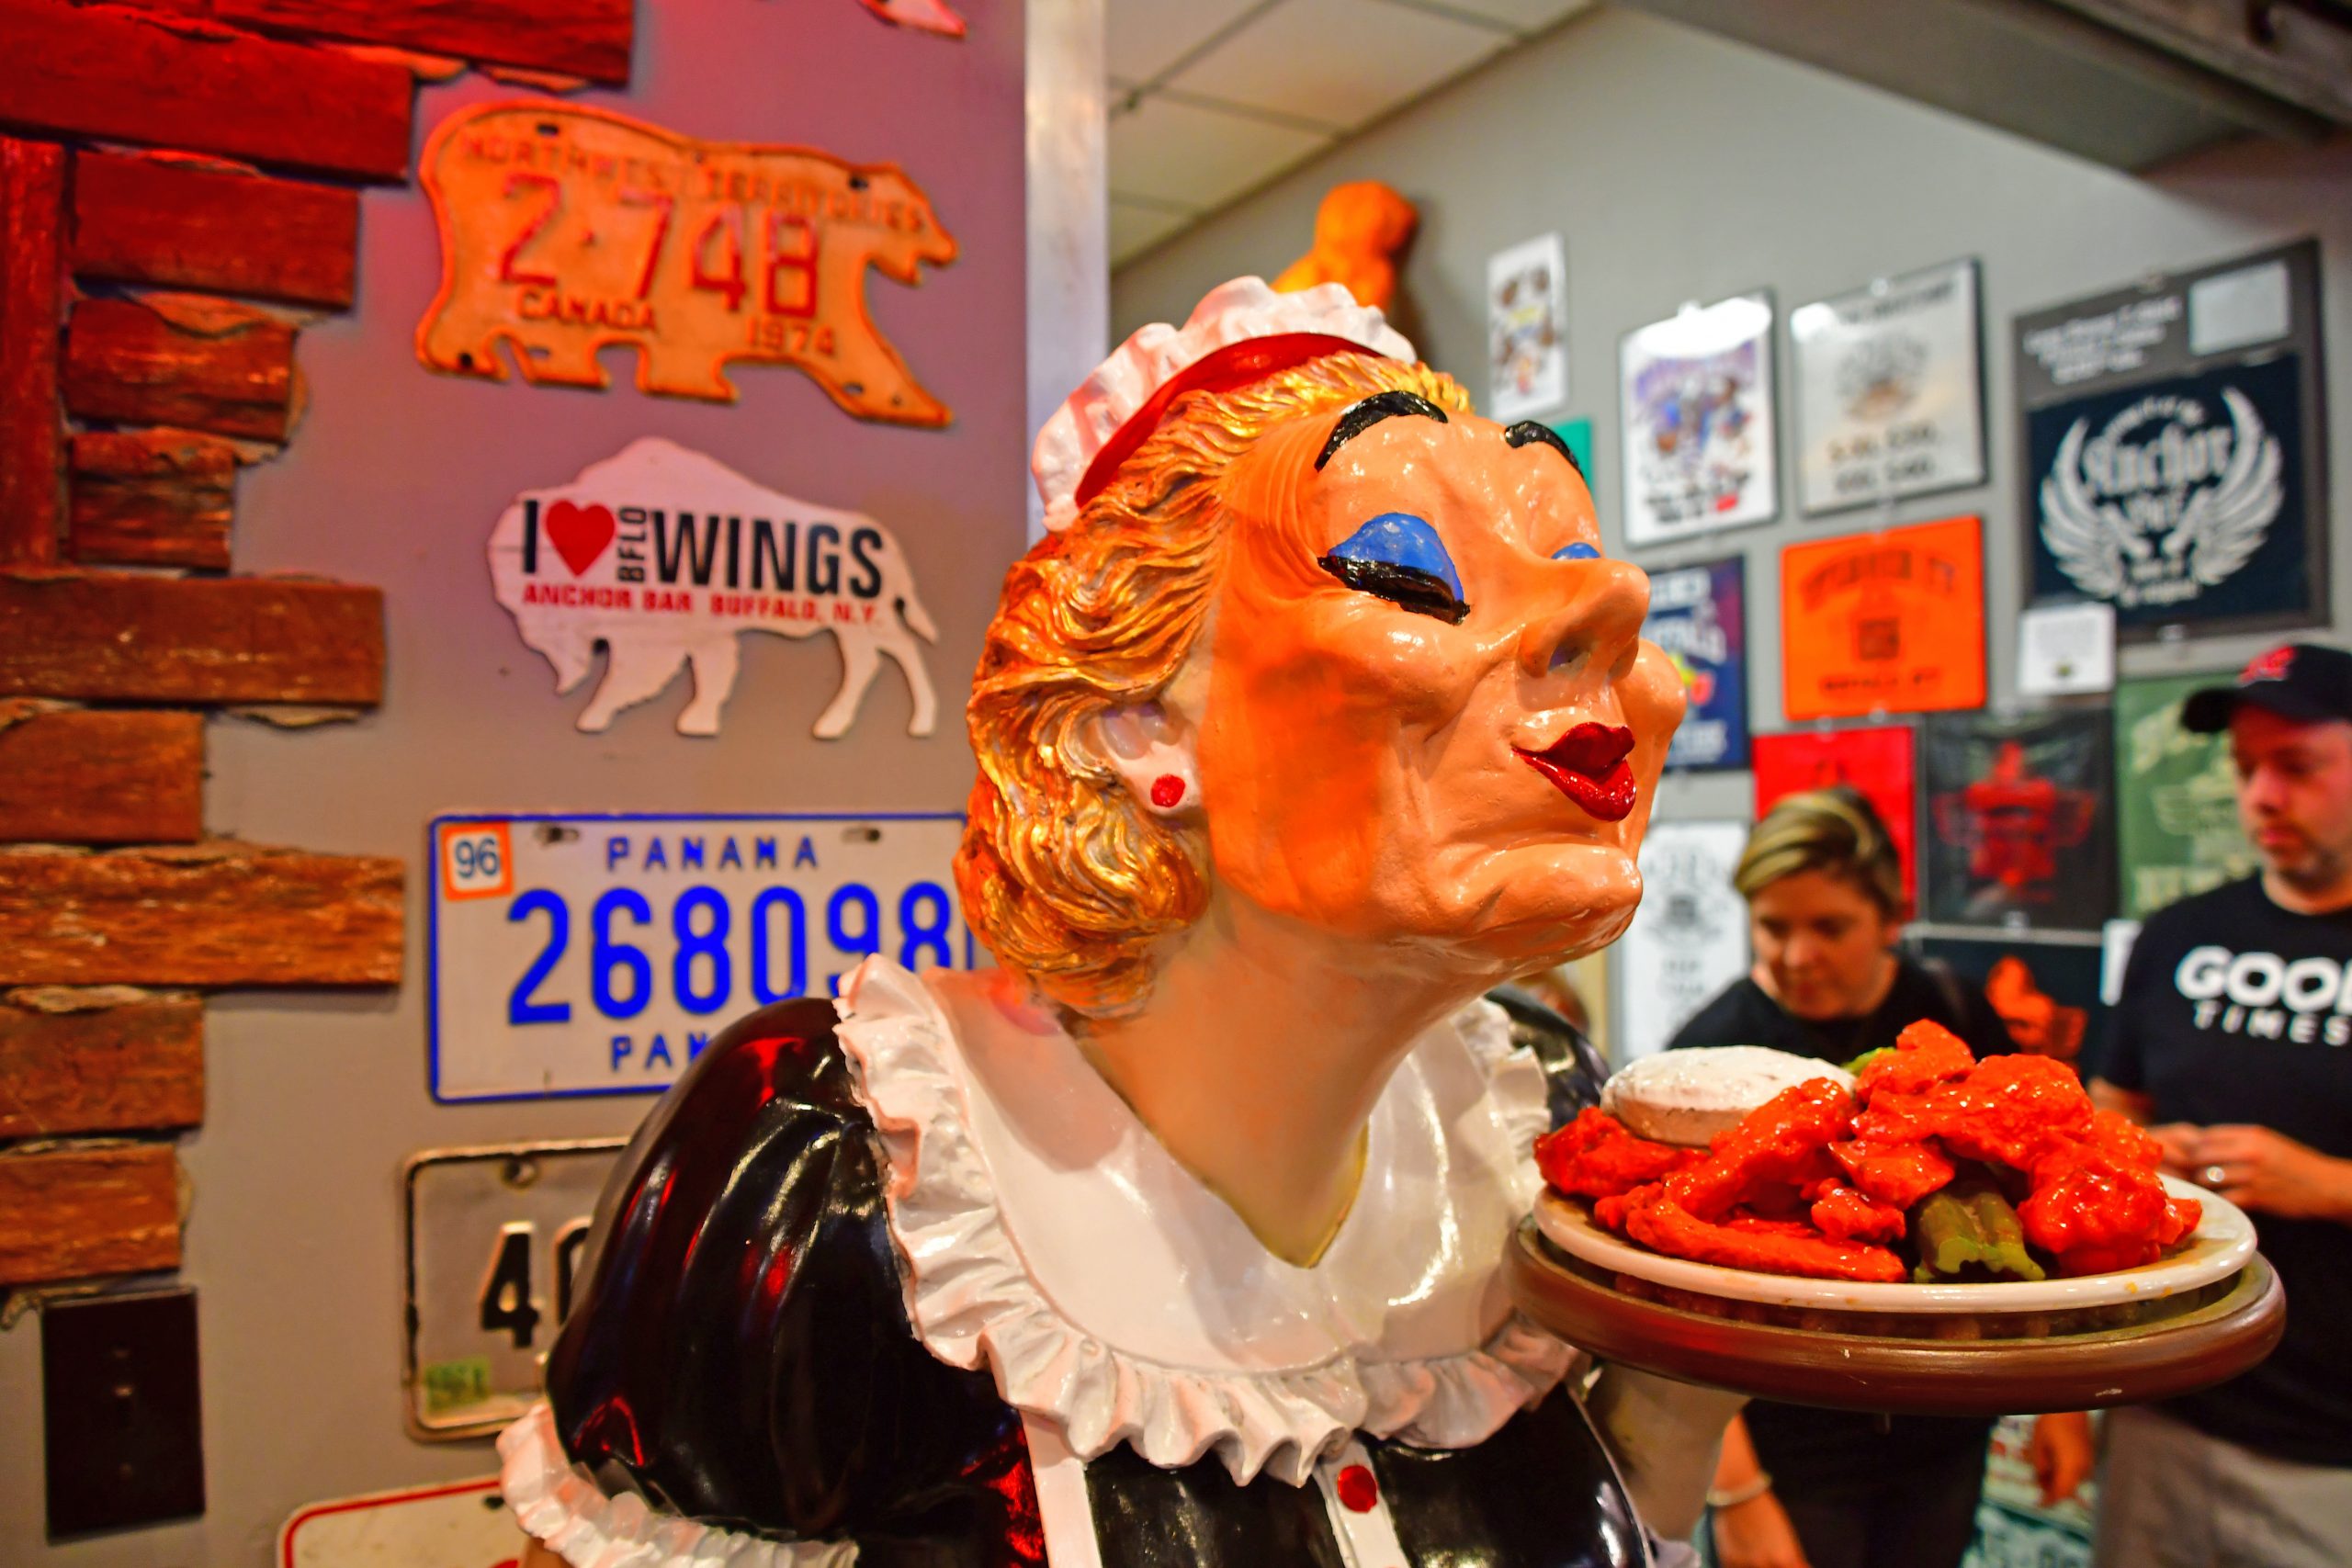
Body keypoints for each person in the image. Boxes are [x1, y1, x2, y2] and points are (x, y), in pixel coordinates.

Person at [499, 277, 1736, 1568]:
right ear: (1134, 719)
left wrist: (1700, 1369)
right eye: (1412, 571)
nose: (1613, 613)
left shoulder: (1538, 1115)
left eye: (1580, 559)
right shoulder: (841, 1166)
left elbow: (1622, 1518)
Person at [1666, 787, 2094, 1568]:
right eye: (1773, 926)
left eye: (1829, 926)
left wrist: (2061, 1399)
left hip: (1947, 1414)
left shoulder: (1953, 1009)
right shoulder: (1715, 1048)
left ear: (1890, 918)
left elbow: (2037, 1199)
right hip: (1787, 1430)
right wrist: (1736, 1495)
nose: (1797, 955)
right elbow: (1681, 1286)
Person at [2088, 641, 2352, 1568]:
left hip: (2330, 1456)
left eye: (2296, 767)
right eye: (2244, 771)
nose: (2262, 798)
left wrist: (2322, 1184)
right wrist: (2139, 1160)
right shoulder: (2178, 935)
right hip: (2163, 1411)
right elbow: (2101, 1119)